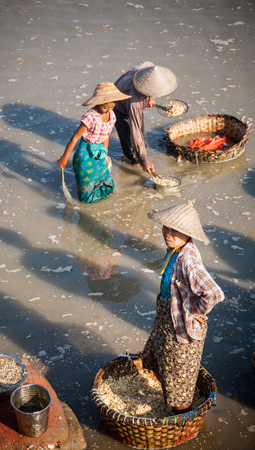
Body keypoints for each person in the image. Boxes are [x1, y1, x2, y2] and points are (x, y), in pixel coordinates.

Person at [140, 201, 224, 414]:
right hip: (167, 316)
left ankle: (181, 415)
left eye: (175, 231)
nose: (168, 234)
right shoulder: (174, 249)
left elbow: (214, 293)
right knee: (157, 358)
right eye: (166, 228)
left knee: (179, 378)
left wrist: (197, 311)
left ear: (187, 233)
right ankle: (165, 393)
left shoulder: (187, 260)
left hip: (182, 327)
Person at [57, 82, 130, 203]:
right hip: (85, 153)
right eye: (105, 107)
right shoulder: (90, 116)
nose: (107, 110)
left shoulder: (112, 115)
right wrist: (64, 158)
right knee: (86, 191)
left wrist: (105, 153)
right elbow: (75, 138)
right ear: (98, 102)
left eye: (111, 107)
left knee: (105, 181)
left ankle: (104, 204)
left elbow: (106, 135)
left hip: (99, 151)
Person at [114, 61, 178, 174]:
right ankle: (132, 162)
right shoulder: (136, 102)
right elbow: (136, 131)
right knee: (133, 150)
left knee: (138, 137)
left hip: (123, 90)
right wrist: (144, 160)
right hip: (119, 108)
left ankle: (136, 153)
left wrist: (149, 98)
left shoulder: (147, 67)